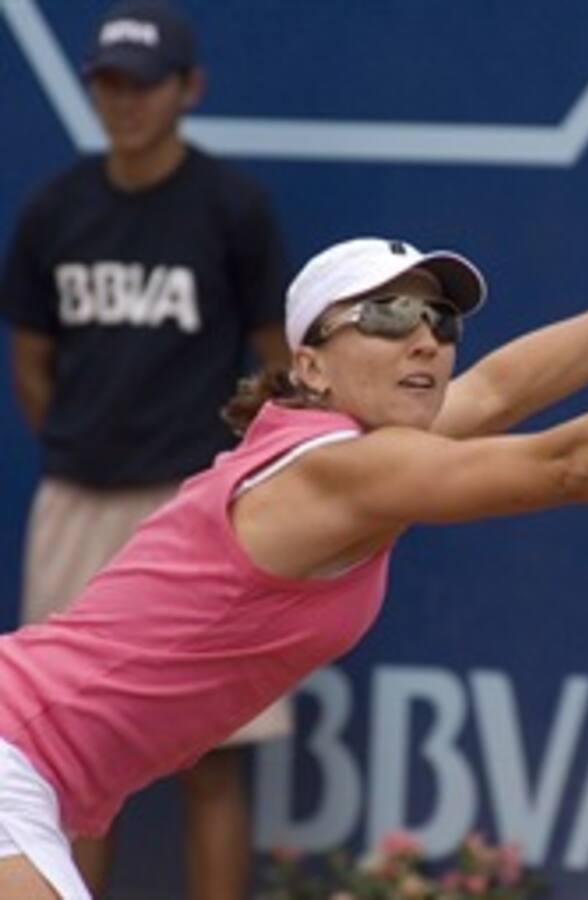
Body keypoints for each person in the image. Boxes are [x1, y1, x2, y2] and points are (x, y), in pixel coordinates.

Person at [0, 177, 588, 900]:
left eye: (438, 322)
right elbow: (567, 464)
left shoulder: (331, 445)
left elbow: (497, 390)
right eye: (384, 319)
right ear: (310, 363)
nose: (423, 338)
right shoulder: (340, 473)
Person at [0, 1, 292, 897]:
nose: (122, 102)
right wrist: (86, 447)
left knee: (212, 758)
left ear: (187, 89)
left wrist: (226, 481)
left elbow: (279, 359)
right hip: (78, 502)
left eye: (142, 84)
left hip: (196, 509)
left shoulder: (229, 208)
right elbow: (33, 360)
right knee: (66, 767)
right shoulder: (56, 211)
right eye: (107, 84)